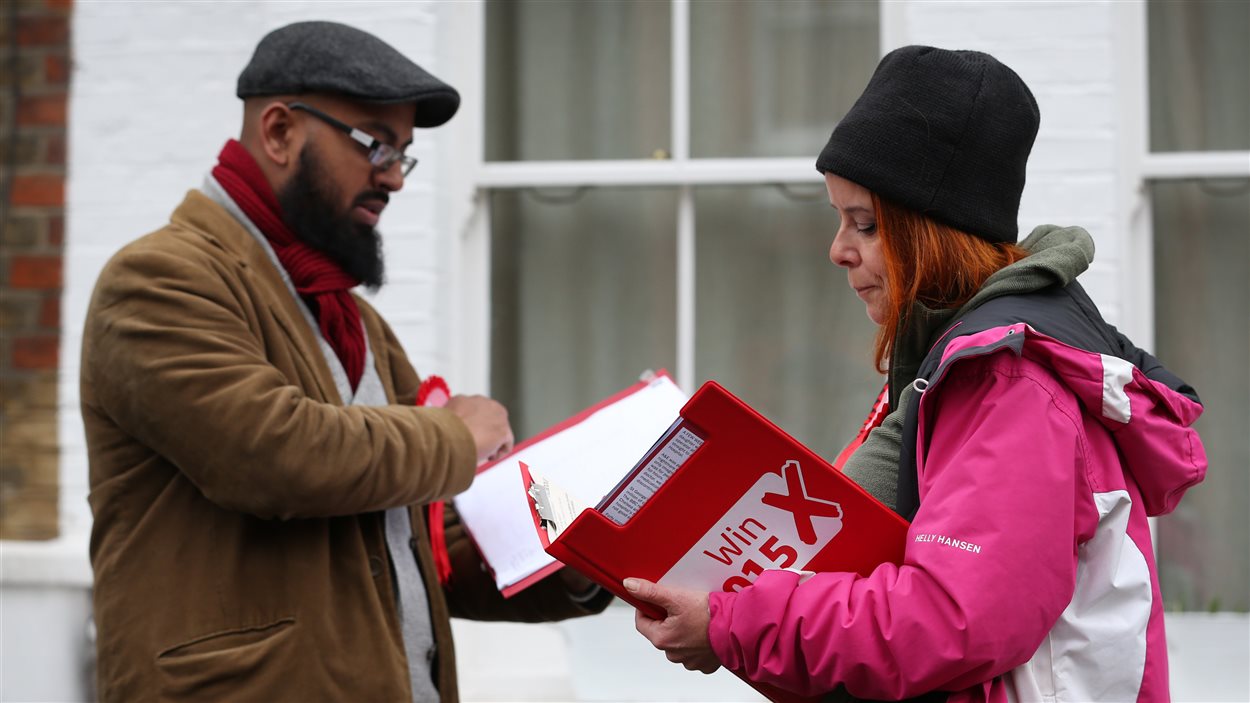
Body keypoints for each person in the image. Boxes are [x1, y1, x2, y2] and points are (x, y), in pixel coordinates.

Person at [626, 45, 1207, 702]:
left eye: (866, 224)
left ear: (935, 231)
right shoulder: (973, 360)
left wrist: (736, 622)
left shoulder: (1009, 385)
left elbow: (954, 619)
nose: (839, 250)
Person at [81, 21, 610, 702]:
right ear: (278, 132)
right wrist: (455, 435)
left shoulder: (355, 322)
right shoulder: (158, 281)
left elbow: (416, 535)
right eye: (374, 143)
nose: (392, 175)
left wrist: (575, 553)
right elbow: (272, 453)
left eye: (403, 153)